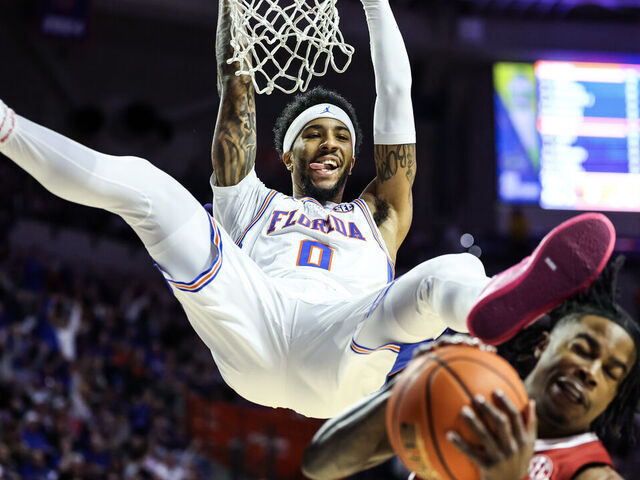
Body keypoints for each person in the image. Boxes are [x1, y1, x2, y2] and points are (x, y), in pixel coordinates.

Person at [0, 0, 616, 418]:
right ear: (287, 151)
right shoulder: (247, 199)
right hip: (254, 318)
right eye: (314, 134)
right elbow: (236, 89)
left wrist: (374, 4)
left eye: (342, 137)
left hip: (345, 343)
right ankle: (6, 126)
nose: (330, 143)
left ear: (354, 160)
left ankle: (491, 309)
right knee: (147, 189)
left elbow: (396, 95)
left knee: (448, 272)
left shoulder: (379, 215)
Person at [302, 257, 640, 479]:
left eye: (612, 372)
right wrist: (416, 382)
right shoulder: (469, 401)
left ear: (615, 394)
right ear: (542, 345)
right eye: (582, 349)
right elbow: (320, 463)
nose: (590, 372)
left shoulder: (593, 474)